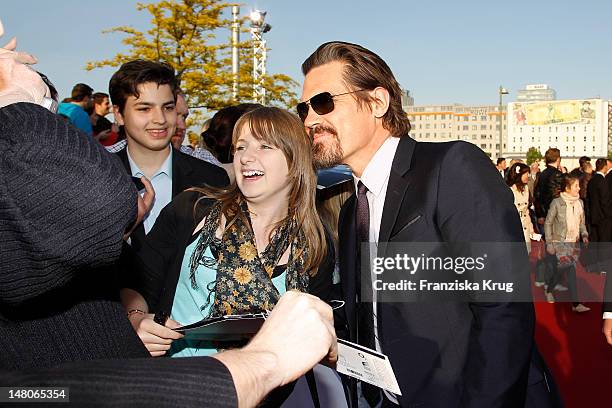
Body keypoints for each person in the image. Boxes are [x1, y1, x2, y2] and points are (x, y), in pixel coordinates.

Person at [0, 28, 337, 407]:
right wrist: (137, 320)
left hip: (274, 394)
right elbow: (136, 282)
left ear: (295, 163)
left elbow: (317, 324)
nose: (246, 157)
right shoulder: (194, 207)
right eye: (241, 146)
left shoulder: (317, 239)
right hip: (179, 385)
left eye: (264, 147)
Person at [300, 41, 560, 407]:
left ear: (377, 102)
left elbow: (503, 310)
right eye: (304, 108)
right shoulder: (349, 210)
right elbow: (372, 313)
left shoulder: (451, 167)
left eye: (324, 102)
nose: (310, 119)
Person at [108, 59, 229, 250]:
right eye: (144, 109)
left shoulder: (212, 180)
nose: (160, 119)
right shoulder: (95, 177)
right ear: (119, 114)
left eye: (168, 107)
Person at [544, 174, 590, 311]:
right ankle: (575, 303)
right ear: (567, 188)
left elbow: (581, 223)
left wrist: (585, 235)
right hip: (560, 241)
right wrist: (549, 243)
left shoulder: (580, 203)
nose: (579, 188)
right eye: (576, 186)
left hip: (573, 242)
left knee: (565, 269)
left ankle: (550, 288)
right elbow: (548, 223)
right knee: (569, 268)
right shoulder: (557, 203)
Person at [507, 162, 537, 252]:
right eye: (526, 173)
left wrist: (531, 229)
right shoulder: (510, 190)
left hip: (526, 228)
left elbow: (526, 211)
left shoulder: (526, 188)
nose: (528, 175)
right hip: (514, 229)